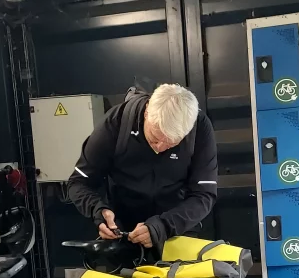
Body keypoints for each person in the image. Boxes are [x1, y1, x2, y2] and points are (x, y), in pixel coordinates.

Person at [67, 83, 218, 253]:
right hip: (124, 234)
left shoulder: (199, 128)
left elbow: (204, 195)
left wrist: (163, 226)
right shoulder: (116, 123)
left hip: (177, 230)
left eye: (171, 143)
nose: (160, 147)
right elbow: (78, 183)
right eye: (154, 138)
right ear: (147, 113)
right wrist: (97, 209)